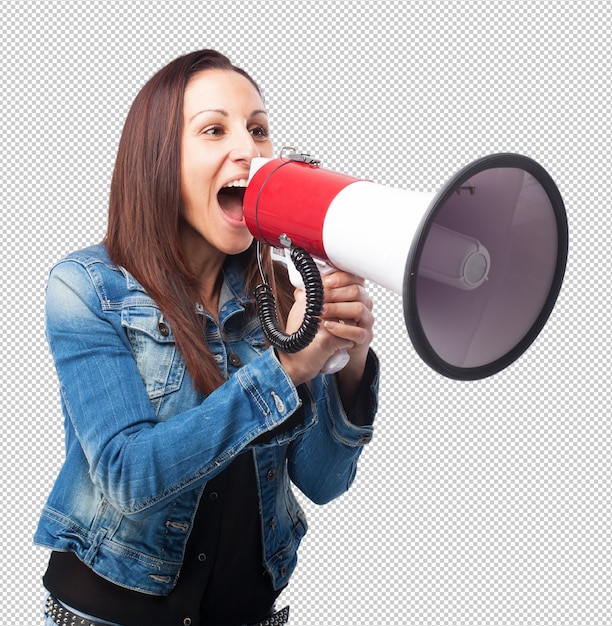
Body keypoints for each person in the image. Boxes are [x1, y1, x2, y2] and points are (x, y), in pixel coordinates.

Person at [35, 49, 379, 626]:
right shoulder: (86, 287)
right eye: (214, 130)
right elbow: (128, 476)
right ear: (160, 160)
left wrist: (348, 360)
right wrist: (288, 369)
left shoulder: (283, 299)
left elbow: (323, 482)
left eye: (259, 130)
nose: (248, 149)